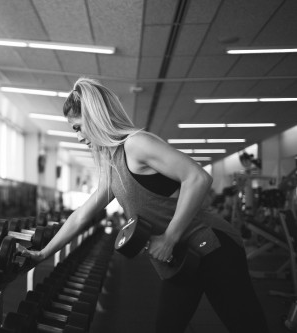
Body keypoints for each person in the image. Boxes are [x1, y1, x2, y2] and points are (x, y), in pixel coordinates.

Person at [21, 77, 269, 333]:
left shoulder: (136, 144)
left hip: (213, 247)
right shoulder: (113, 163)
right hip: (183, 258)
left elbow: (197, 177)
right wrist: (43, 254)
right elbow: (82, 215)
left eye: (78, 127)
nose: (78, 136)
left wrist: (170, 237)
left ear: (94, 118)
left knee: (247, 326)